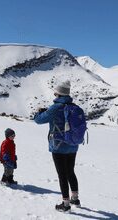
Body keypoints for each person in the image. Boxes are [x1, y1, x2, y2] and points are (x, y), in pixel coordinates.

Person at [33, 80, 81, 212]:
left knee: (62, 175)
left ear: (59, 93)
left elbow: (38, 120)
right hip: (73, 145)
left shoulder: (55, 107)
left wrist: (39, 112)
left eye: (56, 93)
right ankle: (75, 198)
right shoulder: (74, 107)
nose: (55, 95)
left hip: (58, 146)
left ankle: (65, 205)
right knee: (70, 171)